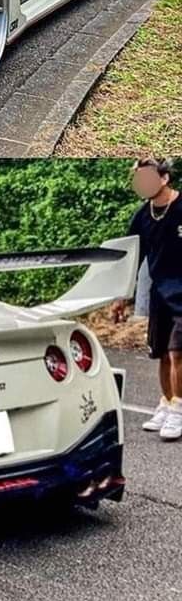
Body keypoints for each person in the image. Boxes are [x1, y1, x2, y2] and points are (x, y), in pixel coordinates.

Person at [113, 158, 182, 440]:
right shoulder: (143, 216)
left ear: (164, 178)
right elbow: (131, 258)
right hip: (160, 292)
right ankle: (167, 403)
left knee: (179, 352)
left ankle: (179, 408)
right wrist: (121, 297)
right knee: (163, 353)